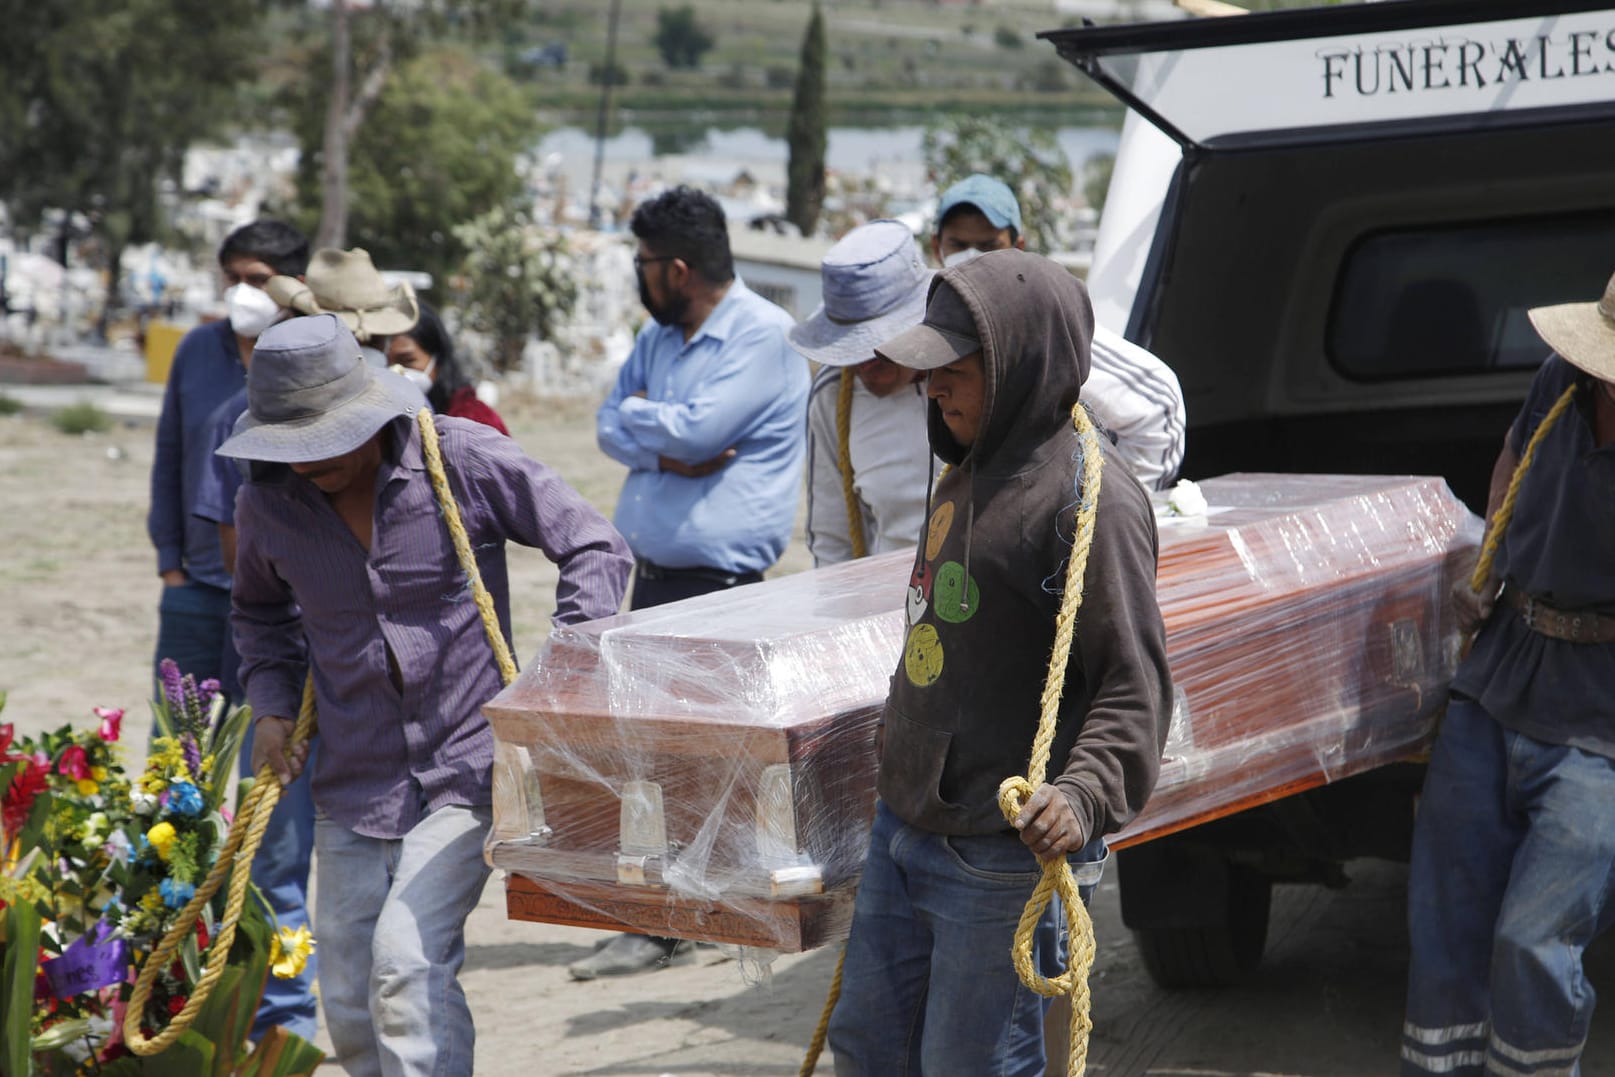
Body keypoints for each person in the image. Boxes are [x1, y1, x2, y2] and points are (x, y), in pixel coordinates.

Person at [221, 314, 632, 1077]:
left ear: (371, 413)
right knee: (346, 996)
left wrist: (560, 674)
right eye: (295, 444)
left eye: (327, 438)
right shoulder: (268, 507)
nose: (312, 460)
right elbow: (259, 613)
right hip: (352, 782)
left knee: (406, 965)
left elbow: (594, 543)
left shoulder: (458, 457)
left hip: (467, 768)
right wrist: (273, 704)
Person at [826, 250, 1173, 1074]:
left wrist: (1082, 793)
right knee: (868, 1046)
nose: (930, 387)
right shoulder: (968, 464)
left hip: (996, 854)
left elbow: (1135, 683)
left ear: (1021, 363)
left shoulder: (1092, 501)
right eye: (927, 369)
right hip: (903, 822)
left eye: (953, 369)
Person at [190, 246, 418, 1043]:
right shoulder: (250, 436)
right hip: (295, 683)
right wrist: (278, 695)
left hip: (388, 714)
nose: (380, 353)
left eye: (380, 341)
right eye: (366, 338)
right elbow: (243, 576)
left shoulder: (413, 428)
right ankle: (287, 1016)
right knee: (278, 854)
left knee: (397, 944)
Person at [579, 185, 809, 978]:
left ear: (676, 269)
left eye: (642, 262)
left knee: (711, 752)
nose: (637, 276)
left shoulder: (764, 335)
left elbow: (703, 429)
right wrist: (664, 439)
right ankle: (670, 918)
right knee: (652, 752)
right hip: (656, 574)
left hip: (722, 578)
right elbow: (610, 423)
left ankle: (712, 916)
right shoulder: (660, 337)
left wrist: (662, 427)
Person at [1401, 272, 1615, 1077]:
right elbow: (1514, 456)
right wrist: (1488, 554)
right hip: (1500, 677)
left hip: (1600, 718)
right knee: (1444, 917)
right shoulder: (1563, 378)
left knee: (1532, 938)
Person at [931, 173, 1186, 490]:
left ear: (1017, 246)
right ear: (936, 246)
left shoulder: (1040, 323)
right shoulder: (926, 319)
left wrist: (1116, 504)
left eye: (987, 245)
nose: (971, 257)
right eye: (958, 244)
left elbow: (1158, 401)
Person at [148, 219, 307, 694]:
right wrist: (170, 565)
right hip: (195, 583)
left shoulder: (313, 353)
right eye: (232, 278)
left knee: (267, 735)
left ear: (294, 284)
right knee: (179, 738)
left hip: (282, 595)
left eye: (257, 280)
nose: (241, 291)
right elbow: (170, 453)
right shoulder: (197, 348)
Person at [791, 220, 935, 566]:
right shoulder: (832, 397)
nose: (864, 364)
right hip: (887, 609)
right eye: (852, 350)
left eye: (878, 347)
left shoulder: (978, 376)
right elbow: (831, 541)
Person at [387, 301, 509, 435]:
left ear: (437, 358)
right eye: (385, 364)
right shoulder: (385, 425)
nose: (394, 371)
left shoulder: (474, 421)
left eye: (407, 361)